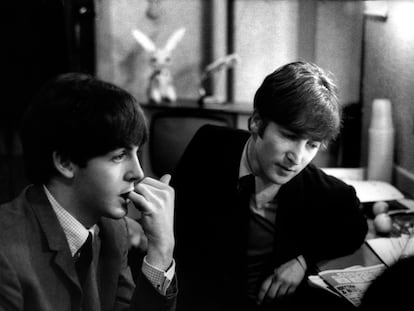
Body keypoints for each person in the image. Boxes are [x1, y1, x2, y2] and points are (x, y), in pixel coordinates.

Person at [171, 61, 368, 311]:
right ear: (256, 122)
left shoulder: (323, 189)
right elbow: (176, 220)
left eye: (312, 145)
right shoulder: (209, 144)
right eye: (290, 135)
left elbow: (356, 228)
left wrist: (302, 261)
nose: (297, 158)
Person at [0, 73, 177, 311]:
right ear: (65, 162)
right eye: (119, 156)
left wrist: (161, 249)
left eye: (136, 153)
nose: (138, 172)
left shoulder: (114, 231)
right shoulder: (5, 253)